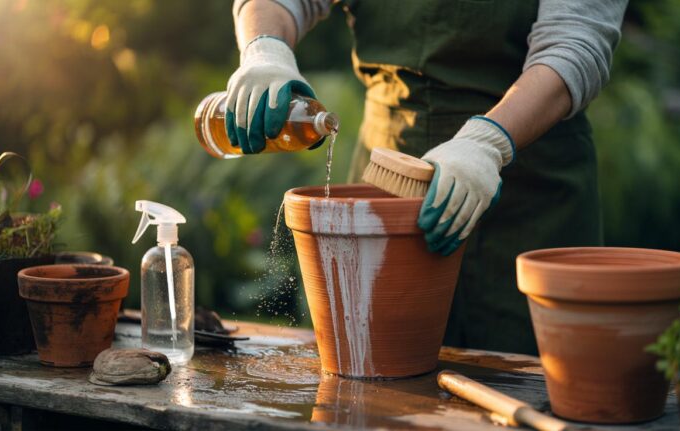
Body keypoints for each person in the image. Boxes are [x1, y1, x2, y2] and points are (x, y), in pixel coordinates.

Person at [227, 0, 628, 354]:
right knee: (378, 385)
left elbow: (575, 44)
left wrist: (487, 143)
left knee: (530, 383)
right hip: (388, 182)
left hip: (531, 190)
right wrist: (267, 49)